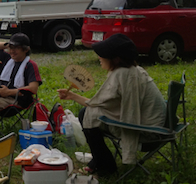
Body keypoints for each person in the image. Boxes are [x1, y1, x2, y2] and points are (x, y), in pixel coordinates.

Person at [58, 34, 166, 176]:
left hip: (146, 132)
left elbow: (97, 105)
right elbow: (103, 104)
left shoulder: (122, 74)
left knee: (87, 115)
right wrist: (72, 96)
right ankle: (99, 160)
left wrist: (74, 97)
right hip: (154, 127)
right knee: (88, 113)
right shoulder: (133, 70)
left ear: (116, 59)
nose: (99, 57)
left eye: (103, 55)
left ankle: (105, 166)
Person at [0, 33, 42, 120]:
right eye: (11, 48)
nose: (12, 51)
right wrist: (7, 44)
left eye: (16, 48)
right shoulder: (8, 59)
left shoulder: (30, 65)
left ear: (26, 49)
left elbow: (33, 88)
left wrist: (8, 92)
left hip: (16, 99)